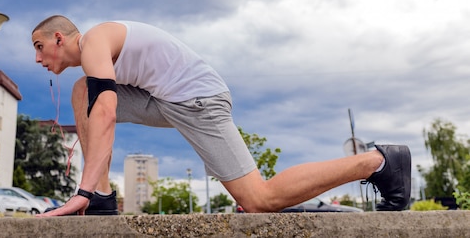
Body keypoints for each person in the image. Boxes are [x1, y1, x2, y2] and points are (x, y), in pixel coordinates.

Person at [32, 15, 411, 216]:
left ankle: (377, 162)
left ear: (60, 39)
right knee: (84, 92)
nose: (37, 58)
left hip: (198, 99)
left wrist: (77, 191)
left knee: (258, 199)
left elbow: (107, 115)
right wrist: (91, 188)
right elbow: (98, 109)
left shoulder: (94, 41)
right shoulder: (93, 57)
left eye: (39, 46)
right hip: (164, 99)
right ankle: (101, 198)